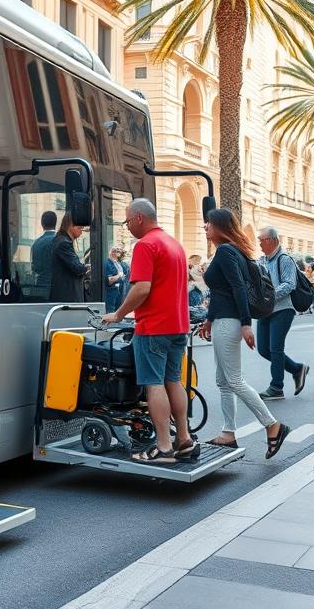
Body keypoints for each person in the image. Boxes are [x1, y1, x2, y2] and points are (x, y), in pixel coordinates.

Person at [102, 198, 197, 464]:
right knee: (173, 381)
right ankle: (184, 439)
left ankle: (164, 447)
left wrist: (118, 314)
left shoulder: (145, 245)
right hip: (178, 326)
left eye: (127, 221)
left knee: (154, 384)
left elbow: (142, 288)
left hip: (154, 327)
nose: (128, 226)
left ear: (139, 218)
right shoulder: (174, 244)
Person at [199, 208, 290, 459]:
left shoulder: (226, 251)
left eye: (209, 223)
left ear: (220, 226)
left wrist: (246, 323)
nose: (205, 227)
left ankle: (273, 425)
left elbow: (238, 287)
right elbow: (222, 292)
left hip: (229, 322)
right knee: (223, 381)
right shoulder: (230, 250)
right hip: (222, 319)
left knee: (234, 380)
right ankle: (228, 433)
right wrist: (209, 320)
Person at [256, 227, 309, 400]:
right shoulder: (262, 260)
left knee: (275, 348)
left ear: (272, 240)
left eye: (262, 239)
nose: (259, 243)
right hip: (265, 310)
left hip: (282, 309)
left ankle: (276, 387)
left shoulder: (284, 259)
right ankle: (297, 369)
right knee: (263, 349)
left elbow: (289, 284)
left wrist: (269, 297)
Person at [48, 213, 89, 301]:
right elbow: (77, 268)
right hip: (68, 296)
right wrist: (88, 267)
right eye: (80, 228)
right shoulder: (64, 243)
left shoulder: (61, 240)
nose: (82, 231)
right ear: (71, 226)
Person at [31, 211, 57, 289]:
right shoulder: (60, 241)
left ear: (42, 224)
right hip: (57, 286)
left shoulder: (36, 243)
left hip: (40, 285)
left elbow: (35, 268)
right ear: (55, 223)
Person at [104, 247, 127, 312]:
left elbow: (125, 273)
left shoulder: (119, 263)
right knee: (111, 312)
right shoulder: (107, 263)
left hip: (119, 292)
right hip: (111, 293)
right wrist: (119, 275)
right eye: (116, 251)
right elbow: (109, 280)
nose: (118, 252)